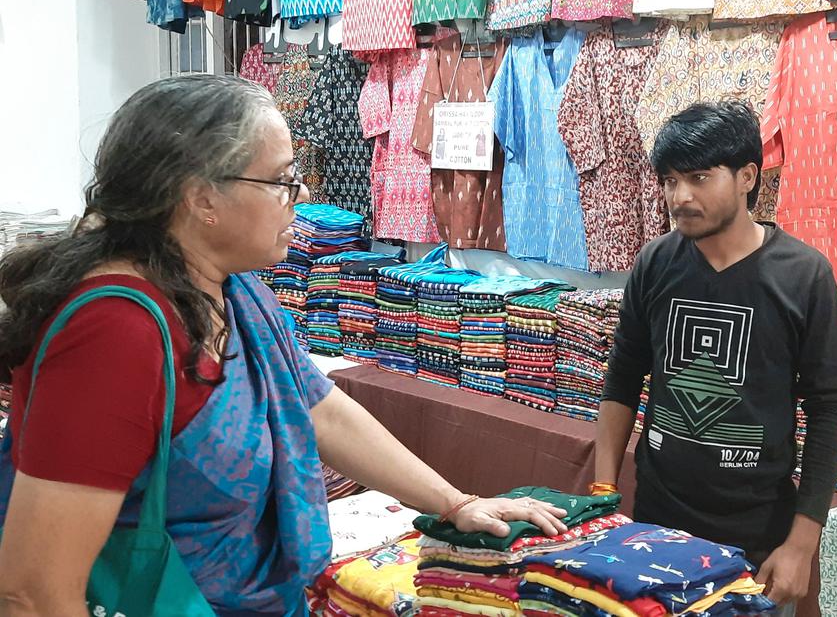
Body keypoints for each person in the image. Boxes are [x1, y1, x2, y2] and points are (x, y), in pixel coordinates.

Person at [0, 76, 568, 616]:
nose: (299, 196)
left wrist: (456, 503)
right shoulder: (115, 333)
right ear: (201, 199)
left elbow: (317, 407)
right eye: (281, 180)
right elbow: (34, 590)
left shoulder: (231, 288)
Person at [594, 101, 837, 617]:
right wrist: (602, 494)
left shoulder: (803, 276)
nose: (679, 197)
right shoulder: (655, 263)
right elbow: (622, 378)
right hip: (656, 526)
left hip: (756, 541)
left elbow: (829, 411)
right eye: (669, 180)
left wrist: (801, 546)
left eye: (698, 177)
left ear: (747, 177)